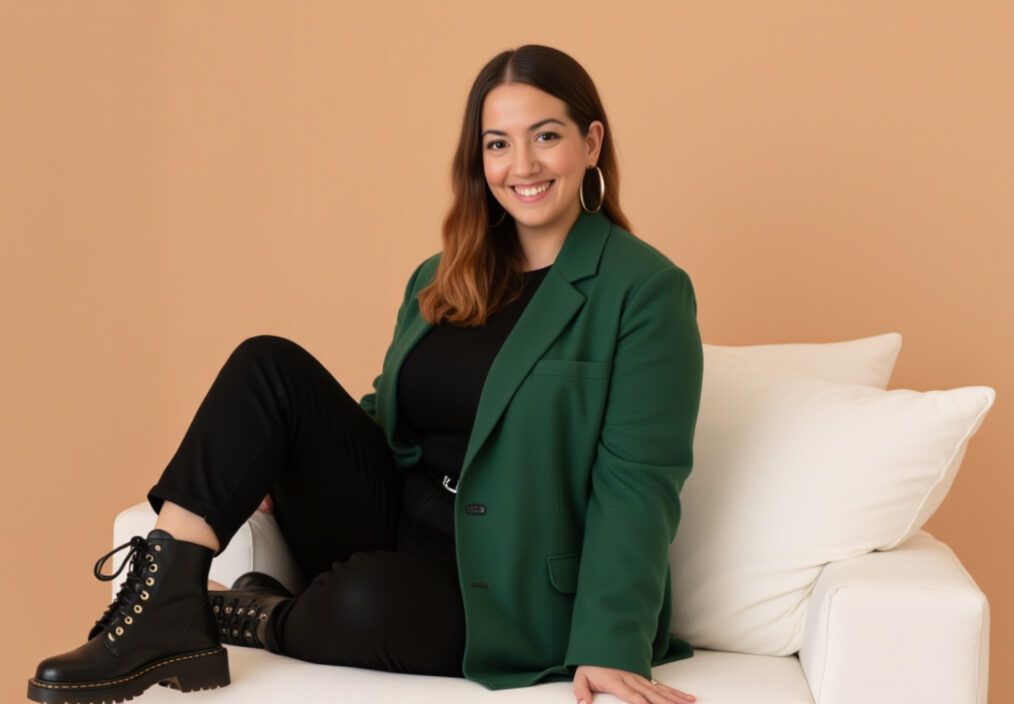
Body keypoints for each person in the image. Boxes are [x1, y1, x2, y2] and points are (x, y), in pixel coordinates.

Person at [26, 44, 701, 704]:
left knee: (364, 600)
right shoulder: (442, 276)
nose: (521, 165)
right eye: (497, 144)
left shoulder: (644, 290)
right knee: (267, 363)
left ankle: (254, 615)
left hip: (514, 580)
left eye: (545, 136)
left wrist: (612, 643)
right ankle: (160, 610)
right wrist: (274, 457)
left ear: (591, 142)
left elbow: (638, 482)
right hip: (400, 516)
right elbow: (390, 411)